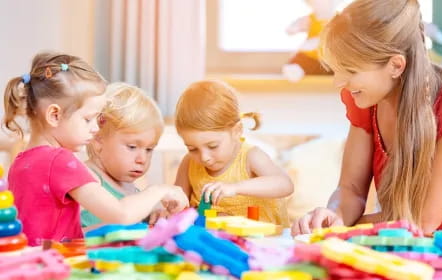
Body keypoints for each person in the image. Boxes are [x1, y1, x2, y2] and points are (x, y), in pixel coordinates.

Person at [292, 0, 442, 235]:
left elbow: (423, 222)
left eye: (350, 71)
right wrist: (334, 214)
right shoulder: (365, 103)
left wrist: (343, 230)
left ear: (396, 65)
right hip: (407, 254)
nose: (338, 82)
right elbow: (351, 188)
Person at [4, 52, 188, 245]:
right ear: (55, 115)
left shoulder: (21, 160)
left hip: (34, 261)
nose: (95, 127)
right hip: (57, 265)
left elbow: (64, 236)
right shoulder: (60, 161)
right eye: (87, 119)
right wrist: (158, 190)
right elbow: (121, 214)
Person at [174, 80, 293, 226]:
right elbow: (178, 203)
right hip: (214, 241)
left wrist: (235, 188)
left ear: (237, 131)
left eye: (213, 146)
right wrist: (169, 209)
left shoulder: (251, 157)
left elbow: (285, 185)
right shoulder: (189, 163)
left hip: (262, 241)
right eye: (192, 149)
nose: (204, 158)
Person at [81, 82, 165, 228]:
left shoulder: (132, 188)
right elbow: (69, 235)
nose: (142, 159)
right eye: (132, 147)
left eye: (149, 149)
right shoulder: (88, 178)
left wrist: (152, 212)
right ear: (98, 140)